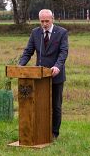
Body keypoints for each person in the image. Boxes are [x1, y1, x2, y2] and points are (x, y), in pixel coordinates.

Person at [19, 9, 68, 138]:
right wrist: (20, 65)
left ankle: (54, 133)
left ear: (52, 19)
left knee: (55, 106)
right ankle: (40, 130)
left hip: (55, 76)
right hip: (39, 76)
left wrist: (57, 66)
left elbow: (63, 52)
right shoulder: (35, 33)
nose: (45, 24)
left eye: (47, 21)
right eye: (42, 21)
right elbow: (28, 51)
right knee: (39, 104)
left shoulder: (62, 32)